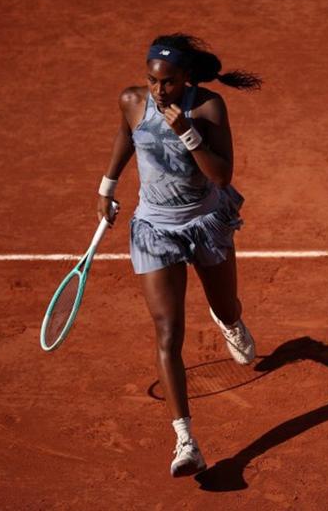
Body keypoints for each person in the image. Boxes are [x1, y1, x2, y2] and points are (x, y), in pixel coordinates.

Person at [96, 33, 263, 477]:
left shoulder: (208, 107)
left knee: (225, 307)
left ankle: (229, 322)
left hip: (205, 222)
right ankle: (185, 440)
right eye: (152, 80)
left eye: (168, 82)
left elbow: (222, 175)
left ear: (186, 78)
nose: (158, 90)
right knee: (168, 333)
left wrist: (186, 132)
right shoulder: (132, 101)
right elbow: (126, 135)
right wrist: (107, 187)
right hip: (154, 231)